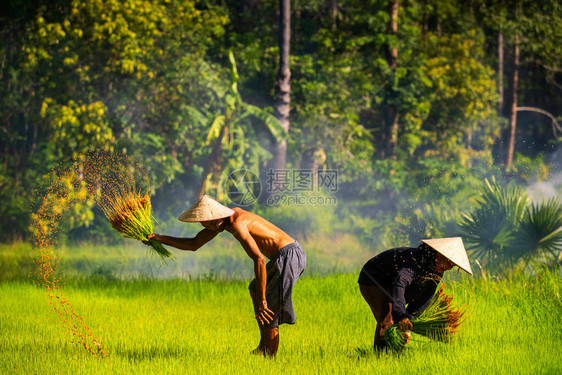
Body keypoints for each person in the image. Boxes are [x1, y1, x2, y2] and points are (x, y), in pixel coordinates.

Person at [147, 195, 306, 357]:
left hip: (289, 255)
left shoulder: (237, 222)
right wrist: (159, 239)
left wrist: (262, 300)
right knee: (254, 289)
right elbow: (194, 244)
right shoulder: (221, 223)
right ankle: (263, 347)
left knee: (269, 308)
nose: (205, 227)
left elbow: (259, 260)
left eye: (206, 223)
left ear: (215, 219)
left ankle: (269, 358)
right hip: (283, 256)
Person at [357, 237, 472, 350]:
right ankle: (381, 356)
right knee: (388, 321)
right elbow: (400, 284)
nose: (447, 267)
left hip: (391, 285)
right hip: (373, 278)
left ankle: (385, 356)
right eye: (447, 262)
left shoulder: (436, 272)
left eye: (451, 266)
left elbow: (425, 297)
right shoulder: (415, 260)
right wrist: (401, 315)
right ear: (439, 255)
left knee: (398, 327)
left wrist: (409, 319)